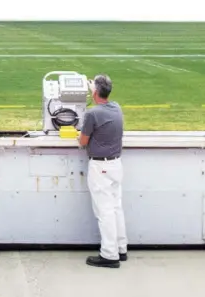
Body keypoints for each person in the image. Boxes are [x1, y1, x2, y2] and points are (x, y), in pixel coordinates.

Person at [78, 74, 127, 268]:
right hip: (116, 165)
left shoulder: (92, 114)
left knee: (104, 211)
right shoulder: (116, 108)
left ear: (95, 92)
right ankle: (121, 248)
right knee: (116, 207)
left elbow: (83, 141)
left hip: (101, 167)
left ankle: (109, 254)